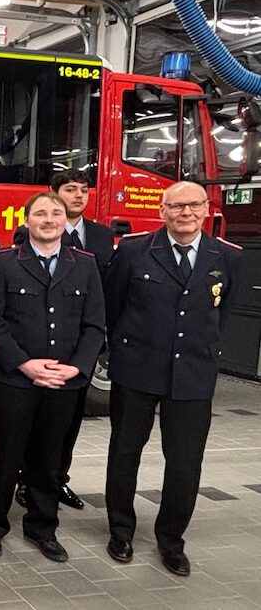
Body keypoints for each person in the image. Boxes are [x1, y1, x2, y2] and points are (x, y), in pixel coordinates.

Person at [104, 181, 241, 577]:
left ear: (205, 209)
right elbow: (114, 308)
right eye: (177, 206)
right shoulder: (133, 251)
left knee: (184, 463)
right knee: (125, 452)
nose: (186, 213)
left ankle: (171, 541)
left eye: (194, 205)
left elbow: (221, 313)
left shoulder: (227, 256)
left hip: (193, 375)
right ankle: (121, 532)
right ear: (162, 211)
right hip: (137, 369)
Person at [0, 191, 105, 563]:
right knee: (5, 456)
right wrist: (23, 363)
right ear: (27, 220)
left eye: (56, 214)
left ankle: (42, 528)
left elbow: (95, 324)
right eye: (40, 214)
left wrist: (77, 367)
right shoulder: (4, 262)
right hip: (16, 379)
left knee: (49, 460)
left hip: (65, 381)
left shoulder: (84, 264)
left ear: (65, 220)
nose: (49, 220)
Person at [13, 170, 115, 510]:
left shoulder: (101, 236)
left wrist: (88, 354)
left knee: (67, 426)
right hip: (39, 350)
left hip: (78, 352)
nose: (78, 196)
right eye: (70, 190)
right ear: (53, 194)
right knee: (32, 425)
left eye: (84, 190)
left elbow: (105, 289)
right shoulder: (28, 235)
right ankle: (29, 481)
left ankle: (58, 480)